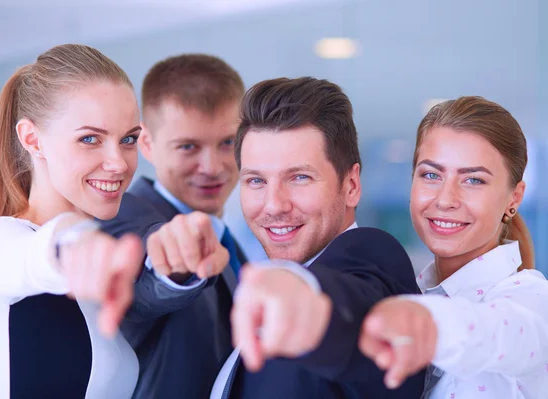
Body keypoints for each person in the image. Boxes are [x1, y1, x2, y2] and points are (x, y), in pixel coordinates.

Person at [145, 77, 425, 399]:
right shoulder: (251, 285)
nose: (274, 204)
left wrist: (305, 293)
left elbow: (356, 308)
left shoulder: (373, 256)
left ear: (351, 185)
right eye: (255, 181)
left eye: (299, 177)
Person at [0, 44, 160, 398]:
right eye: (90, 139)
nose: (120, 163)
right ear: (32, 139)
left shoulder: (93, 273)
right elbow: (35, 255)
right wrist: (75, 239)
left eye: (127, 140)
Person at [359, 96, 548, 399]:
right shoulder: (408, 291)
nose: (446, 199)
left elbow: (501, 332)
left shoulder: (534, 300)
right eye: (431, 175)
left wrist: (422, 321)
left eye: (473, 180)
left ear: (514, 198)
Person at [100, 54, 248, 399]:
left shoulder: (227, 240)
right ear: (147, 145)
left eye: (227, 142)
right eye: (188, 147)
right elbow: (145, 277)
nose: (212, 167)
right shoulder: (123, 219)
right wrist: (171, 267)